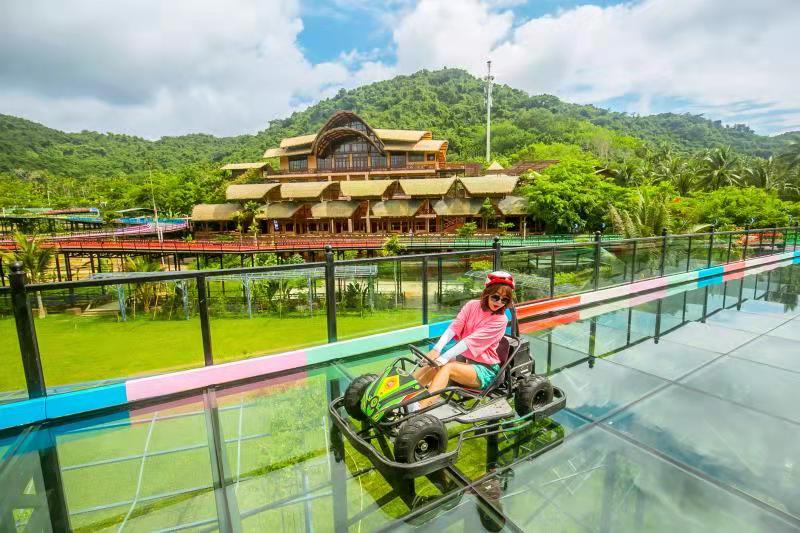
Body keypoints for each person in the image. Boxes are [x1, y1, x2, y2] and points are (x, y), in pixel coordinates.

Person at [413, 271, 515, 409]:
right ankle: (403, 396)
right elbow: (454, 327)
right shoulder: (472, 305)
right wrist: (436, 350)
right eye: (495, 297)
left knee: (447, 367)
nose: (499, 302)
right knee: (434, 364)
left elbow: (469, 342)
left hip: (486, 370)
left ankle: (418, 408)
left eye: (505, 300)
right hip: (466, 361)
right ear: (487, 293)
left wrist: (443, 358)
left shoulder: (500, 320)